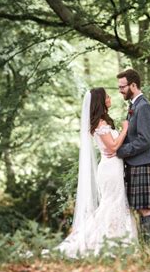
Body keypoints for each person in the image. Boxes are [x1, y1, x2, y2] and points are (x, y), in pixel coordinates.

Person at [55, 88, 137, 258]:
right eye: (106, 96)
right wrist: (125, 129)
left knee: (116, 204)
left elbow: (114, 147)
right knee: (111, 204)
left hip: (113, 167)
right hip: (110, 170)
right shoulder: (100, 123)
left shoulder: (103, 121)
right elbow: (113, 147)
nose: (109, 98)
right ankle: (97, 242)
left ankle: (115, 241)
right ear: (101, 101)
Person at [115, 69, 150, 243]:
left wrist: (120, 151)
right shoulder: (134, 106)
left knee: (147, 209)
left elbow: (145, 140)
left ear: (133, 85)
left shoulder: (145, 107)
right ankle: (147, 247)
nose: (120, 90)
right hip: (135, 163)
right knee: (140, 208)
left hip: (144, 163)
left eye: (122, 87)